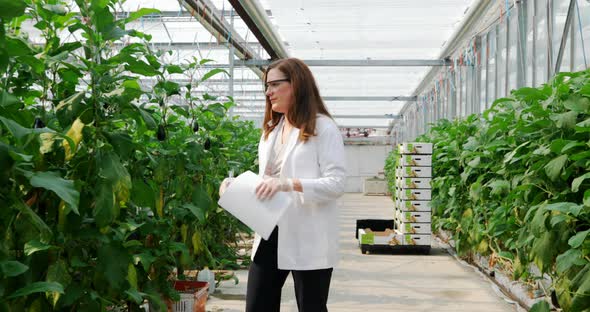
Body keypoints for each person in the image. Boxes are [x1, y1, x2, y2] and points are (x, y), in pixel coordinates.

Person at [219, 57, 346, 312]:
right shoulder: (271, 131)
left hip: (308, 234)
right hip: (270, 230)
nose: (269, 92)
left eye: (275, 84)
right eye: (267, 86)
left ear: (297, 85)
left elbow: (337, 183)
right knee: (257, 305)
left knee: (311, 306)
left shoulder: (323, 128)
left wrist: (289, 184)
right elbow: (268, 180)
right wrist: (236, 187)